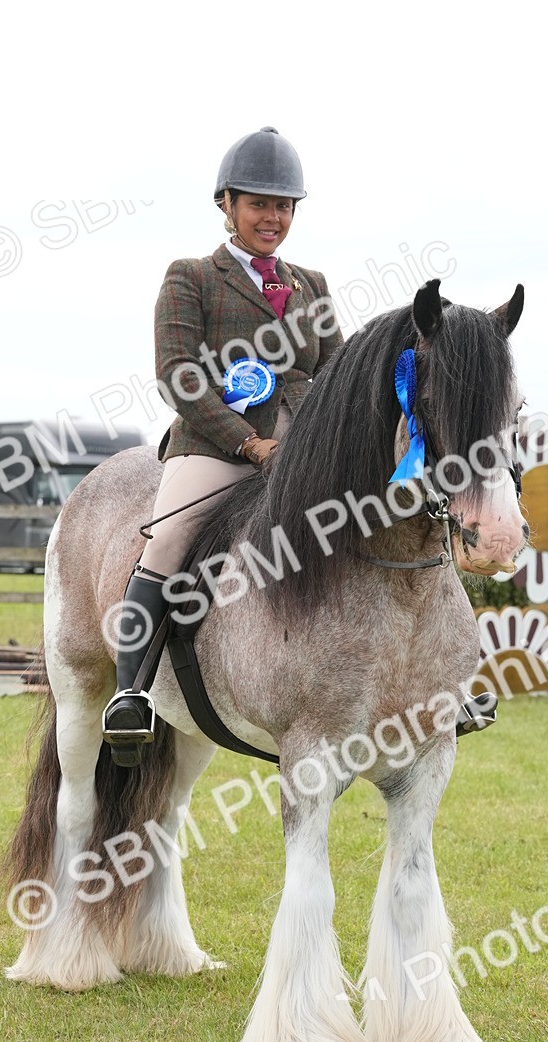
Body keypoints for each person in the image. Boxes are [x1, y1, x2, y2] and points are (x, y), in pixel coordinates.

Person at [101, 126, 344, 766]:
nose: (273, 218)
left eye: (284, 206)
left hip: (307, 445)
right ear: (227, 204)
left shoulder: (313, 284)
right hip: (216, 443)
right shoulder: (192, 277)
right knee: (169, 539)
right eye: (259, 204)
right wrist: (248, 444)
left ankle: (430, 679)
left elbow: (337, 371)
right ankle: (131, 693)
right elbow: (178, 374)